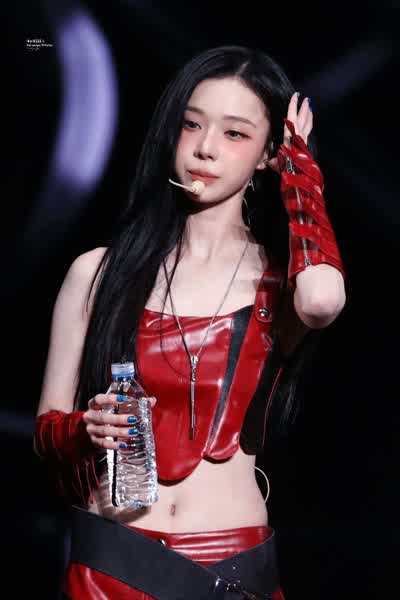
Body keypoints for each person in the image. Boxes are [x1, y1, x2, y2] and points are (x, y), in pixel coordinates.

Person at [34, 45, 346, 599]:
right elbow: (45, 431)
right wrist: (84, 429)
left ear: (268, 153)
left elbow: (323, 302)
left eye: (235, 133)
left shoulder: (283, 283)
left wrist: (301, 176)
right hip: (112, 562)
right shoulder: (98, 273)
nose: (205, 147)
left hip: (229, 563)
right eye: (192, 124)